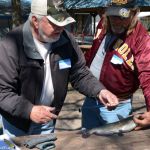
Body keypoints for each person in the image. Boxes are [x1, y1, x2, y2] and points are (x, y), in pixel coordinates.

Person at [0, 0, 118, 137]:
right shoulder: (11, 44)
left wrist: (100, 91)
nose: (61, 27)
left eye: (63, 22)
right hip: (17, 123)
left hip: (47, 121)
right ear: (35, 21)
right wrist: (29, 110)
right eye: (55, 23)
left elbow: (80, 73)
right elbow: (2, 92)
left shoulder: (66, 41)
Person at [82, 0, 150, 130]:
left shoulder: (142, 39)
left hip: (116, 106)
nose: (116, 21)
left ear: (134, 13)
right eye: (112, 15)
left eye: (122, 16)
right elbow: (94, 53)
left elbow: (148, 74)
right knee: (86, 142)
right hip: (91, 97)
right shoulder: (103, 23)